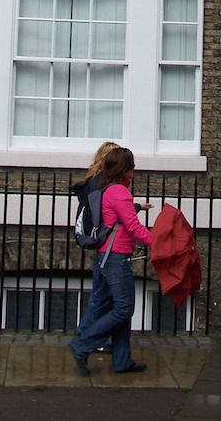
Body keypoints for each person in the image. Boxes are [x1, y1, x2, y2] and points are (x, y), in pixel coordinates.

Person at [68, 146, 152, 375]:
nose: (134, 169)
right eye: (131, 165)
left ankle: (123, 361)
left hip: (107, 256)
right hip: (115, 258)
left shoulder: (110, 190)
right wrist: (158, 243)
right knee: (124, 309)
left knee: (119, 307)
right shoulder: (120, 192)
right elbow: (133, 226)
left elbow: (122, 218)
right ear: (125, 169)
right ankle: (82, 345)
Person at [71, 141, 120, 344]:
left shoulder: (92, 180)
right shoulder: (102, 184)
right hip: (106, 244)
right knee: (101, 295)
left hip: (100, 242)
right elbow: (109, 211)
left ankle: (88, 334)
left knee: (103, 294)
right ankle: (86, 336)